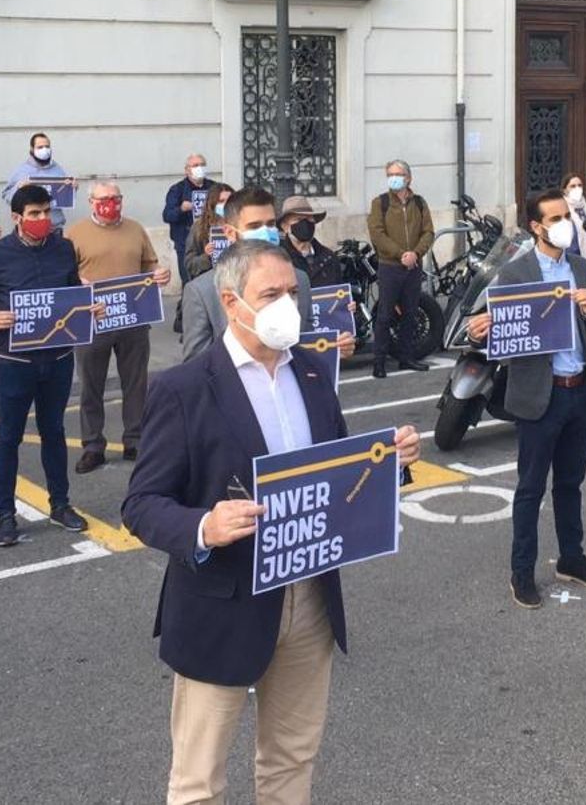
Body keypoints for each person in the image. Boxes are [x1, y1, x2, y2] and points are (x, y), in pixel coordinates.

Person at [121, 239, 421, 805]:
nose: (289, 305)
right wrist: (203, 527)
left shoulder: (310, 371)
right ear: (231, 303)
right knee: (199, 779)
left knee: (291, 761)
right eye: (271, 294)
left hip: (308, 598)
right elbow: (142, 503)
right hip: (221, 601)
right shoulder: (183, 389)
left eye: (292, 293)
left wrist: (389, 466)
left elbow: (333, 474)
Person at [465, 189, 586, 607]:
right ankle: (522, 573)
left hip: (579, 391)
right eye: (555, 218)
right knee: (530, 488)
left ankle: (572, 558)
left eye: (566, 215)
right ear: (536, 226)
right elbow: (503, 328)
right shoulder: (516, 273)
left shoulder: (582, 268)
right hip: (540, 396)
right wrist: (482, 328)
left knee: (571, 484)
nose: (564, 223)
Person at [0, 185, 92, 546]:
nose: (43, 220)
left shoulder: (63, 248)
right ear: (17, 218)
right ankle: (5, 514)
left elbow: (71, 292)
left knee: (54, 432)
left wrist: (87, 304)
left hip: (59, 359)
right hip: (15, 362)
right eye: (35, 214)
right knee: (8, 437)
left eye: (47, 212)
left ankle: (60, 504)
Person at [65, 181, 170, 474]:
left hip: (133, 318)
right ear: (91, 202)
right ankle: (92, 446)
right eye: (104, 199)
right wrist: (78, 283)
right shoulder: (75, 233)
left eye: (116, 198)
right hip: (92, 321)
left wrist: (159, 275)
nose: (111, 203)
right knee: (90, 385)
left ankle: (134, 440)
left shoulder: (135, 229)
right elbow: (64, 274)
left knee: (136, 384)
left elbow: (149, 264)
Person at [182, 188, 353, 363]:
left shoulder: (300, 279)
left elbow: (306, 346)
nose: (265, 232)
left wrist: (334, 348)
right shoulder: (202, 291)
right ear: (230, 233)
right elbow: (196, 368)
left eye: (270, 224)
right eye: (254, 226)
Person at [366, 160, 434, 378]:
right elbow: (377, 233)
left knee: (410, 313)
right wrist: (400, 254)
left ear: (408, 178)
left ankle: (406, 357)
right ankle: (379, 361)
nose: (393, 177)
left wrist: (415, 253)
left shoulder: (420, 203)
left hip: (413, 267)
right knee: (385, 315)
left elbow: (428, 232)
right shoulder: (380, 203)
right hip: (390, 267)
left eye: (397, 173)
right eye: (390, 174)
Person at [1, 131, 71, 231]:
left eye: (47, 146)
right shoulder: (22, 171)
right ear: (32, 149)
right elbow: (6, 195)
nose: (45, 150)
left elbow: (64, 198)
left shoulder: (58, 169)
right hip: (30, 229)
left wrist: (71, 189)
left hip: (54, 228)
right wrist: (18, 189)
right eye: (40, 147)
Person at [163, 153, 213, 278]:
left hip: (209, 241)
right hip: (186, 242)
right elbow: (167, 215)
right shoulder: (177, 190)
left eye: (202, 165)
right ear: (187, 170)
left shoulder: (214, 187)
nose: (199, 168)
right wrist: (181, 209)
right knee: (189, 278)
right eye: (195, 165)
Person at [280, 196, 344, 288]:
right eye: (298, 219)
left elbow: (339, 292)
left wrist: (346, 301)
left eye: (309, 218)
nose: (305, 223)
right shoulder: (278, 259)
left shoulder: (329, 257)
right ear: (285, 227)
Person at [184, 182, 235, 282]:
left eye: (229, 201)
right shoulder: (199, 228)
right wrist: (206, 256)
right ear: (212, 204)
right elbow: (189, 264)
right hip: (210, 281)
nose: (226, 205)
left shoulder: (241, 224)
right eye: (221, 201)